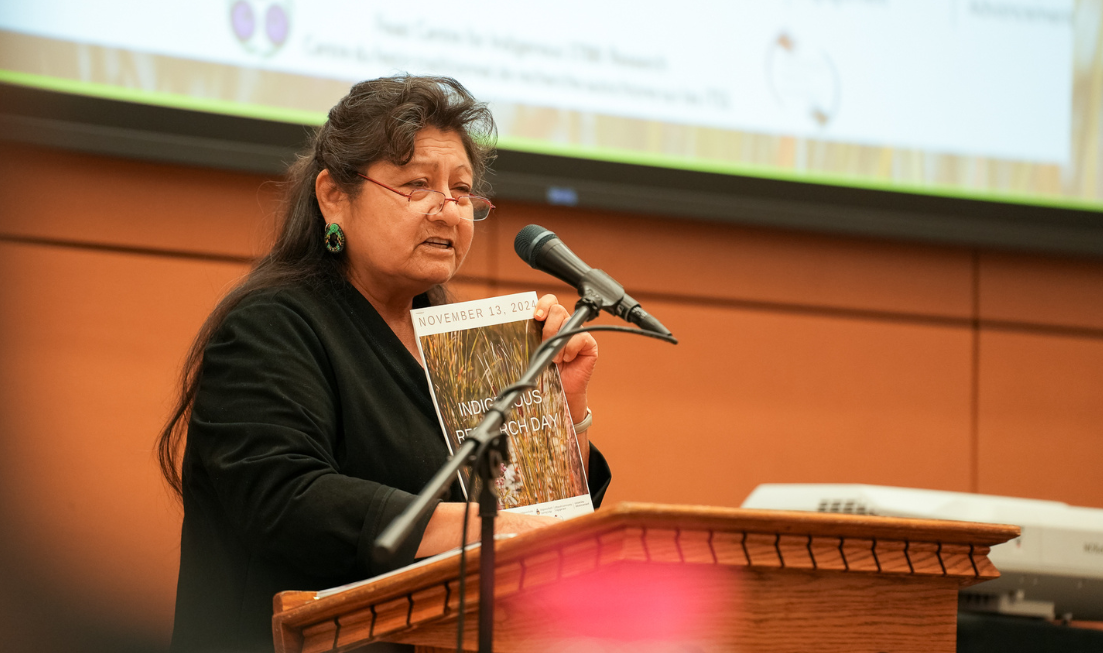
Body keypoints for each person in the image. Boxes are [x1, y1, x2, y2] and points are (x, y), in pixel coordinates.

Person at [156, 75, 610, 653]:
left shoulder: (466, 344)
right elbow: (285, 499)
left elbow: (536, 529)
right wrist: (475, 529)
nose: (448, 210)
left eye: (463, 191)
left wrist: (561, 416)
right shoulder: (271, 325)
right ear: (332, 196)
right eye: (416, 184)